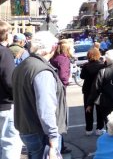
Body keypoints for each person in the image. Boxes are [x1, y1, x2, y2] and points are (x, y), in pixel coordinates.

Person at [12, 31, 67, 159]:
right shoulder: (42, 71)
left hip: (28, 129)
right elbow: (46, 108)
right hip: (40, 133)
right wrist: (53, 138)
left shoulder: (23, 66)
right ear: (53, 47)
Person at [0, 21, 23, 159]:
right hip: (5, 106)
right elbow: (10, 82)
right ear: (5, 34)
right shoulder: (4, 52)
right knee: (10, 144)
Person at [87, 49, 113, 127]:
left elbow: (95, 89)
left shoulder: (102, 71)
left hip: (106, 102)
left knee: (108, 124)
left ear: (106, 59)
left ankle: (110, 137)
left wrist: (90, 103)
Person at [50, 39, 74, 154]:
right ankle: (58, 148)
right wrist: (65, 84)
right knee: (60, 118)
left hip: (53, 88)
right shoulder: (63, 59)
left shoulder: (54, 57)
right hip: (59, 89)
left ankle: (60, 145)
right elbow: (64, 76)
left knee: (55, 117)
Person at [80, 47, 106, 135]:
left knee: (88, 109)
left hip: (87, 89)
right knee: (99, 110)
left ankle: (89, 129)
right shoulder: (102, 65)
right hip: (98, 90)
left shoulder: (85, 66)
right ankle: (99, 128)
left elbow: (82, 76)